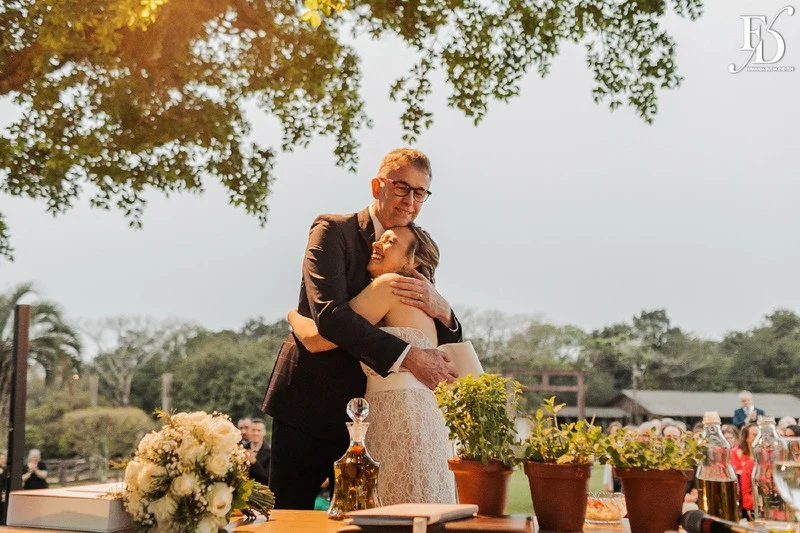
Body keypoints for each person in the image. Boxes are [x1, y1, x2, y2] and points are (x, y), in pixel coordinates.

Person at [261, 148, 462, 510]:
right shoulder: (332, 230)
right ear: (377, 186)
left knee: (362, 519)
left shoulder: (412, 246)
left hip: (376, 418)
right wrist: (408, 357)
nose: (410, 201)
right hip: (310, 404)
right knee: (290, 514)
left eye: (420, 193)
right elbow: (331, 316)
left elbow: (424, 327)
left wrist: (446, 312)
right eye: (402, 188)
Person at [290, 223, 456, 505]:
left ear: (412, 260)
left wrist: (293, 315)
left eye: (390, 242)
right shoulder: (423, 302)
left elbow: (318, 339)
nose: (377, 244)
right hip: (425, 417)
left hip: (398, 415)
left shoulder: (389, 286)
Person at [730, 423, 758, 520]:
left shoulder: (763, 453)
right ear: (746, 438)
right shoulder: (735, 452)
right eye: (755, 435)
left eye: (760, 435)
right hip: (743, 490)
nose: (758, 438)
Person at [246, 419, 271, 485]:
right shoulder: (243, 449)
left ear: (264, 432)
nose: (255, 433)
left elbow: (267, 478)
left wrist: (254, 463)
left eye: (258, 430)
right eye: (253, 430)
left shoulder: (270, 453)